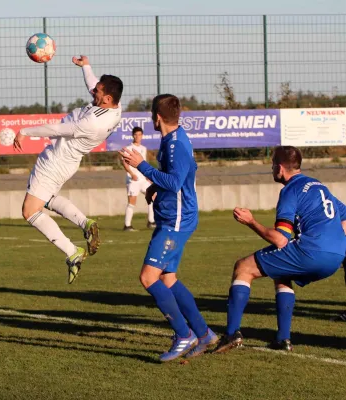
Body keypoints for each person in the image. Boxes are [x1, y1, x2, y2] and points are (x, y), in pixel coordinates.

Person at [210, 146, 346, 354]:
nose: (272, 168)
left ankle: (231, 334)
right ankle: (283, 339)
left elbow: (280, 239)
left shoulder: (290, 191)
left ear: (280, 168)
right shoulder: (319, 186)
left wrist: (251, 221)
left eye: (273, 164)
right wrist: (331, 240)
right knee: (280, 272)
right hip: (337, 256)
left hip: (311, 253)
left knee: (243, 267)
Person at [119, 94, 217, 362]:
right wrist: (152, 187)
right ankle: (204, 333)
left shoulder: (175, 144)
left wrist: (142, 167)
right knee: (168, 279)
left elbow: (174, 183)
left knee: (148, 277)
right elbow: (180, 179)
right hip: (173, 215)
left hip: (176, 220)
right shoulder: (172, 140)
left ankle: (183, 334)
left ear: (157, 117)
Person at [13, 55, 123, 284]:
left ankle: (72, 251)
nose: (93, 92)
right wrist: (86, 67)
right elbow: (93, 84)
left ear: (107, 98)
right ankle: (85, 223)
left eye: (98, 93)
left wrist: (25, 131)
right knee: (48, 199)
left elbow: (56, 129)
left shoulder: (91, 122)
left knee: (30, 210)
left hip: (55, 161)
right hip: (69, 162)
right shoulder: (115, 107)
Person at [121, 126, 156, 231]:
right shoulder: (129, 148)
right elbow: (125, 163)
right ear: (133, 135)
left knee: (153, 195)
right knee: (132, 201)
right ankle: (127, 225)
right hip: (133, 180)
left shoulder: (143, 148)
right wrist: (131, 174)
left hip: (142, 179)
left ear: (142, 136)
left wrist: (147, 176)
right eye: (136, 134)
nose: (138, 136)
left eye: (140, 134)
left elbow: (143, 163)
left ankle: (151, 221)